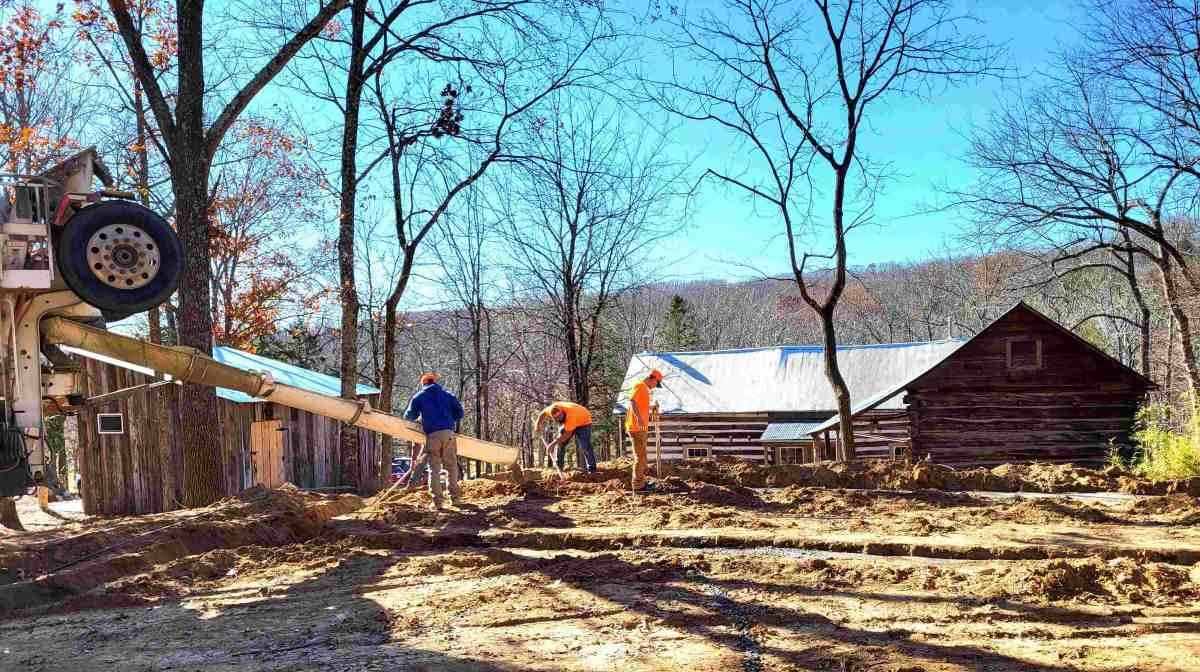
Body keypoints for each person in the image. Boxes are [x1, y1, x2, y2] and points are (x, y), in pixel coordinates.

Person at [403, 372, 465, 511]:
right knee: (451, 467)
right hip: (449, 434)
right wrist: (447, 419)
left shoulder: (419, 396)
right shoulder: (448, 395)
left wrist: (423, 419)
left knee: (434, 469)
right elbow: (460, 413)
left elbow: (409, 416)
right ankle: (455, 499)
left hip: (433, 436)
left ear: (423, 383)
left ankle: (438, 502)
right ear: (435, 382)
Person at [625, 369, 663, 491]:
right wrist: (639, 419)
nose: (655, 387)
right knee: (640, 457)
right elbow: (632, 402)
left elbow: (641, 406)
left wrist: (652, 407)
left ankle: (641, 482)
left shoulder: (644, 390)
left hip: (640, 428)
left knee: (642, 456)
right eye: (656, 384)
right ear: (652, 378)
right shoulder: (640, 386)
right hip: (636, 428)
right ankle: (638, 485)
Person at [534, 402, 596, 473]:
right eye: (556, 418)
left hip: (584, 422)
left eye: (560, 416)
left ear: (563, 412)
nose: (559, 419)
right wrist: (537, 424)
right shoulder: (551, 410)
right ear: (552, 417)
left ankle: (592, 470)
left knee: (585, 446)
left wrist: (552, 444)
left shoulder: (570, 415)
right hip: (570, 422)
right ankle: (559, 468)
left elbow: (567, 435)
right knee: (561, 443)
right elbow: (543, 414)